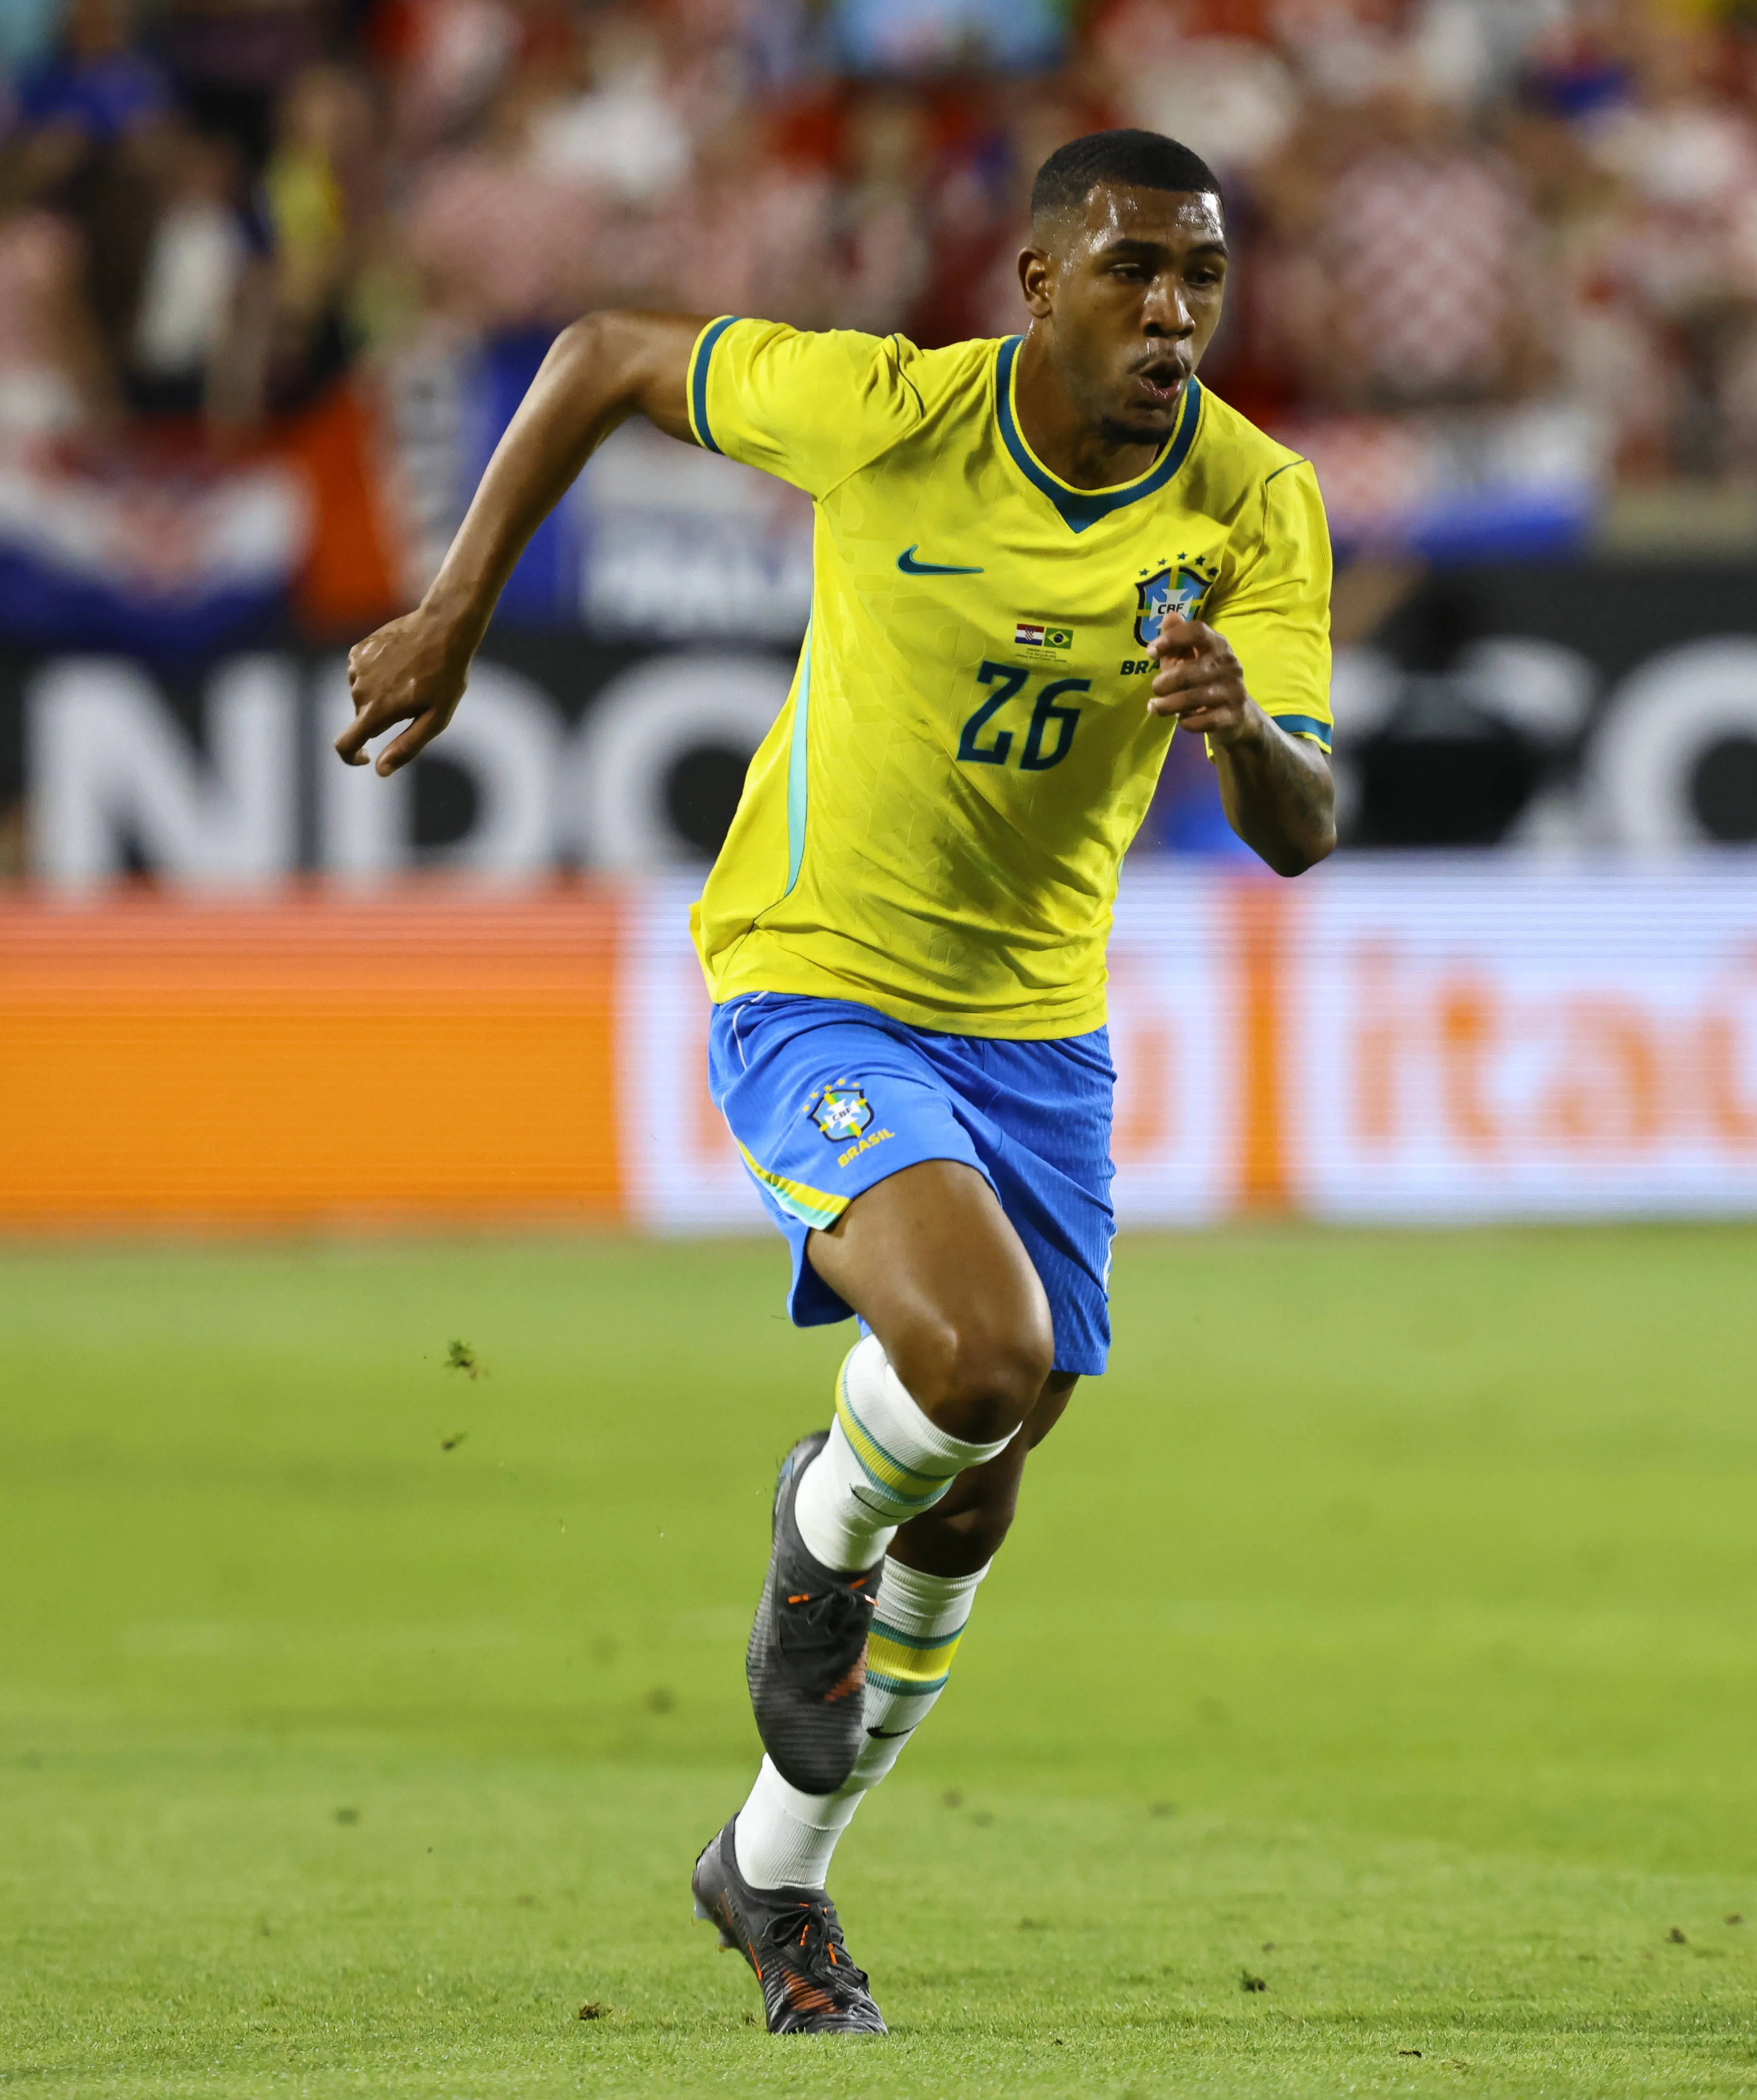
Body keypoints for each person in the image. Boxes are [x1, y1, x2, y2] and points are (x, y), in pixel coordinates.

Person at [334, 129, 1337, 2034]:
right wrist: (455, 608)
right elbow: (602, 356)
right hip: (814, 976)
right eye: (1133, 270)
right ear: (1034, 286)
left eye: (1202, 277)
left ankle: (773, 1880)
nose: (1174, 313)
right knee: (974, 1364)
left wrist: (1241, 742)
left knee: (973, 1496)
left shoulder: (1254, 505)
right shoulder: (886, 411)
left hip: (1036, 1032)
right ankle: (813, 1523)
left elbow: (1300, 824)